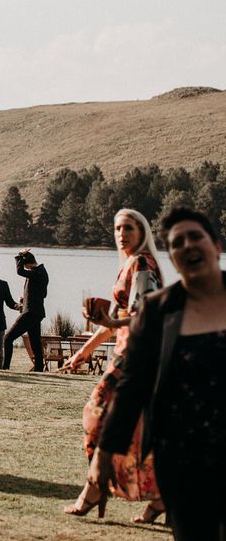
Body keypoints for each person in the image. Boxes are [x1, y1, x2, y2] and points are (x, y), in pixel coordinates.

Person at [89, 207, 226, 539]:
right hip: (182, 458)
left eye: (196, 236)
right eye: (177, 242)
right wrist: (105, 454)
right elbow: (133, 386)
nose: (188, 246)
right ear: (173, 258)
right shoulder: (158, 310)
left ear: (217, 246)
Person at [62, 209, 165, 522]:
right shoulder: (131, 264)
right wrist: (83, 352)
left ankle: (94, 489)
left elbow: (145, 316)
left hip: (135, 357)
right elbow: (114, 323)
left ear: (142, 231)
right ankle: (163, 497)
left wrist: (109, 319)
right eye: (118, 228)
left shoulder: (142, 263)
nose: (122, 234)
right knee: (135, 431)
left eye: (129, 228)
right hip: (127, 354)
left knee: (96, 419)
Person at [2, 249, 48, 371]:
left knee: (7, 338)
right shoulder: (40, 272)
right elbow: (43, 294)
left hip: (30, 312)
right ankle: (39, 369)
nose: (25, 269)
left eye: (24, 265)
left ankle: (5, 367)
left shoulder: (37, 272)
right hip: (37, 312)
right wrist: (26, 298)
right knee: (35, 343)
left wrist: (19, 256)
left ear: (27, 264)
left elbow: (19, 271)